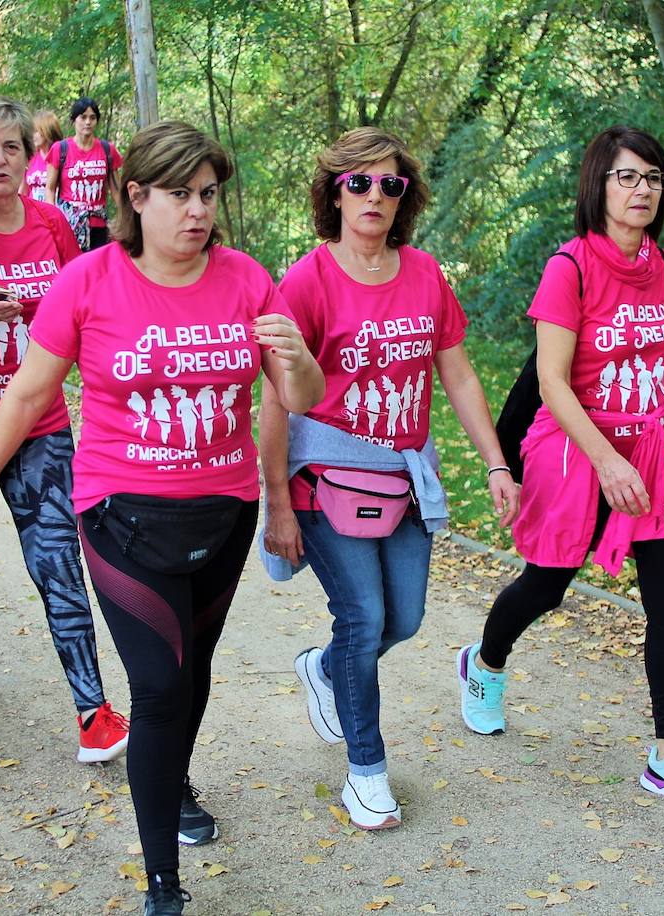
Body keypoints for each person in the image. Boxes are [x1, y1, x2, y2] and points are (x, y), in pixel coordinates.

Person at [0, 120, 323, 915]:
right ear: (137, 197)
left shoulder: (249, 280)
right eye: (180, 194)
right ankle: (164, 887)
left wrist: (296, 358)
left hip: (222, 513)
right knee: (157, 687)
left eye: (209, 194)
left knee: (193, 675)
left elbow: (302, 399)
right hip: (120, 513)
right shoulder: (87, 281)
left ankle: (174, 778)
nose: (197, 211)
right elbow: (26, 395)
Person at [455, 127, 664, 811]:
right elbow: (552, 381)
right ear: (598, 185)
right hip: (579, 450)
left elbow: (648, 367)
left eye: (653, 179)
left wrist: (645, 444)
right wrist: (606, 459)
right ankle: (485, 663)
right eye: (627, 177)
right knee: (548, 586)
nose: (642, 190)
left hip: (655, 447)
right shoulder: (571, 267)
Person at [260, 127, 519, 831]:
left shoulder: (426, 273)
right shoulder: (308, 278)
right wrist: (277, 504)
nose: (375, 195)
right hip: (323, 478)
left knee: (404, 618)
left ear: (404, 196)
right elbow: (277, 395)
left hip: (403, 478)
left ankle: (323, 668)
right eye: (360, 183)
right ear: (335, 193)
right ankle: (366, 772)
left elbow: (458, 374)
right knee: (365, 616)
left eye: (390, 184)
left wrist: (497, 463)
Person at [0, 95, 130, 762]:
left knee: (58, 564)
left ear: (27, 157)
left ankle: (92, 711)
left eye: (11, 146)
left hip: (40, 425)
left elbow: (85, 313)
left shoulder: (53, 226)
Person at [44, 96, 122, 251]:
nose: (88, 122)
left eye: (92, 118)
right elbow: (50, 188)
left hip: (99, 223)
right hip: (69, 223)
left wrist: (126, 217)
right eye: (83, 117)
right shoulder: (61, 149)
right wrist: (52, 220)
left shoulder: (107, 150)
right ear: (74, 120)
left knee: (99, 269)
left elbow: (116, 189)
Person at [26, 109, 63, 201]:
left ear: (47, 131)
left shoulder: (63, 156)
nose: (32, 135)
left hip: (56, 211)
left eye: (36, 131)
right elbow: (22, 190)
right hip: (33, 211)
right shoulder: (30, 157)